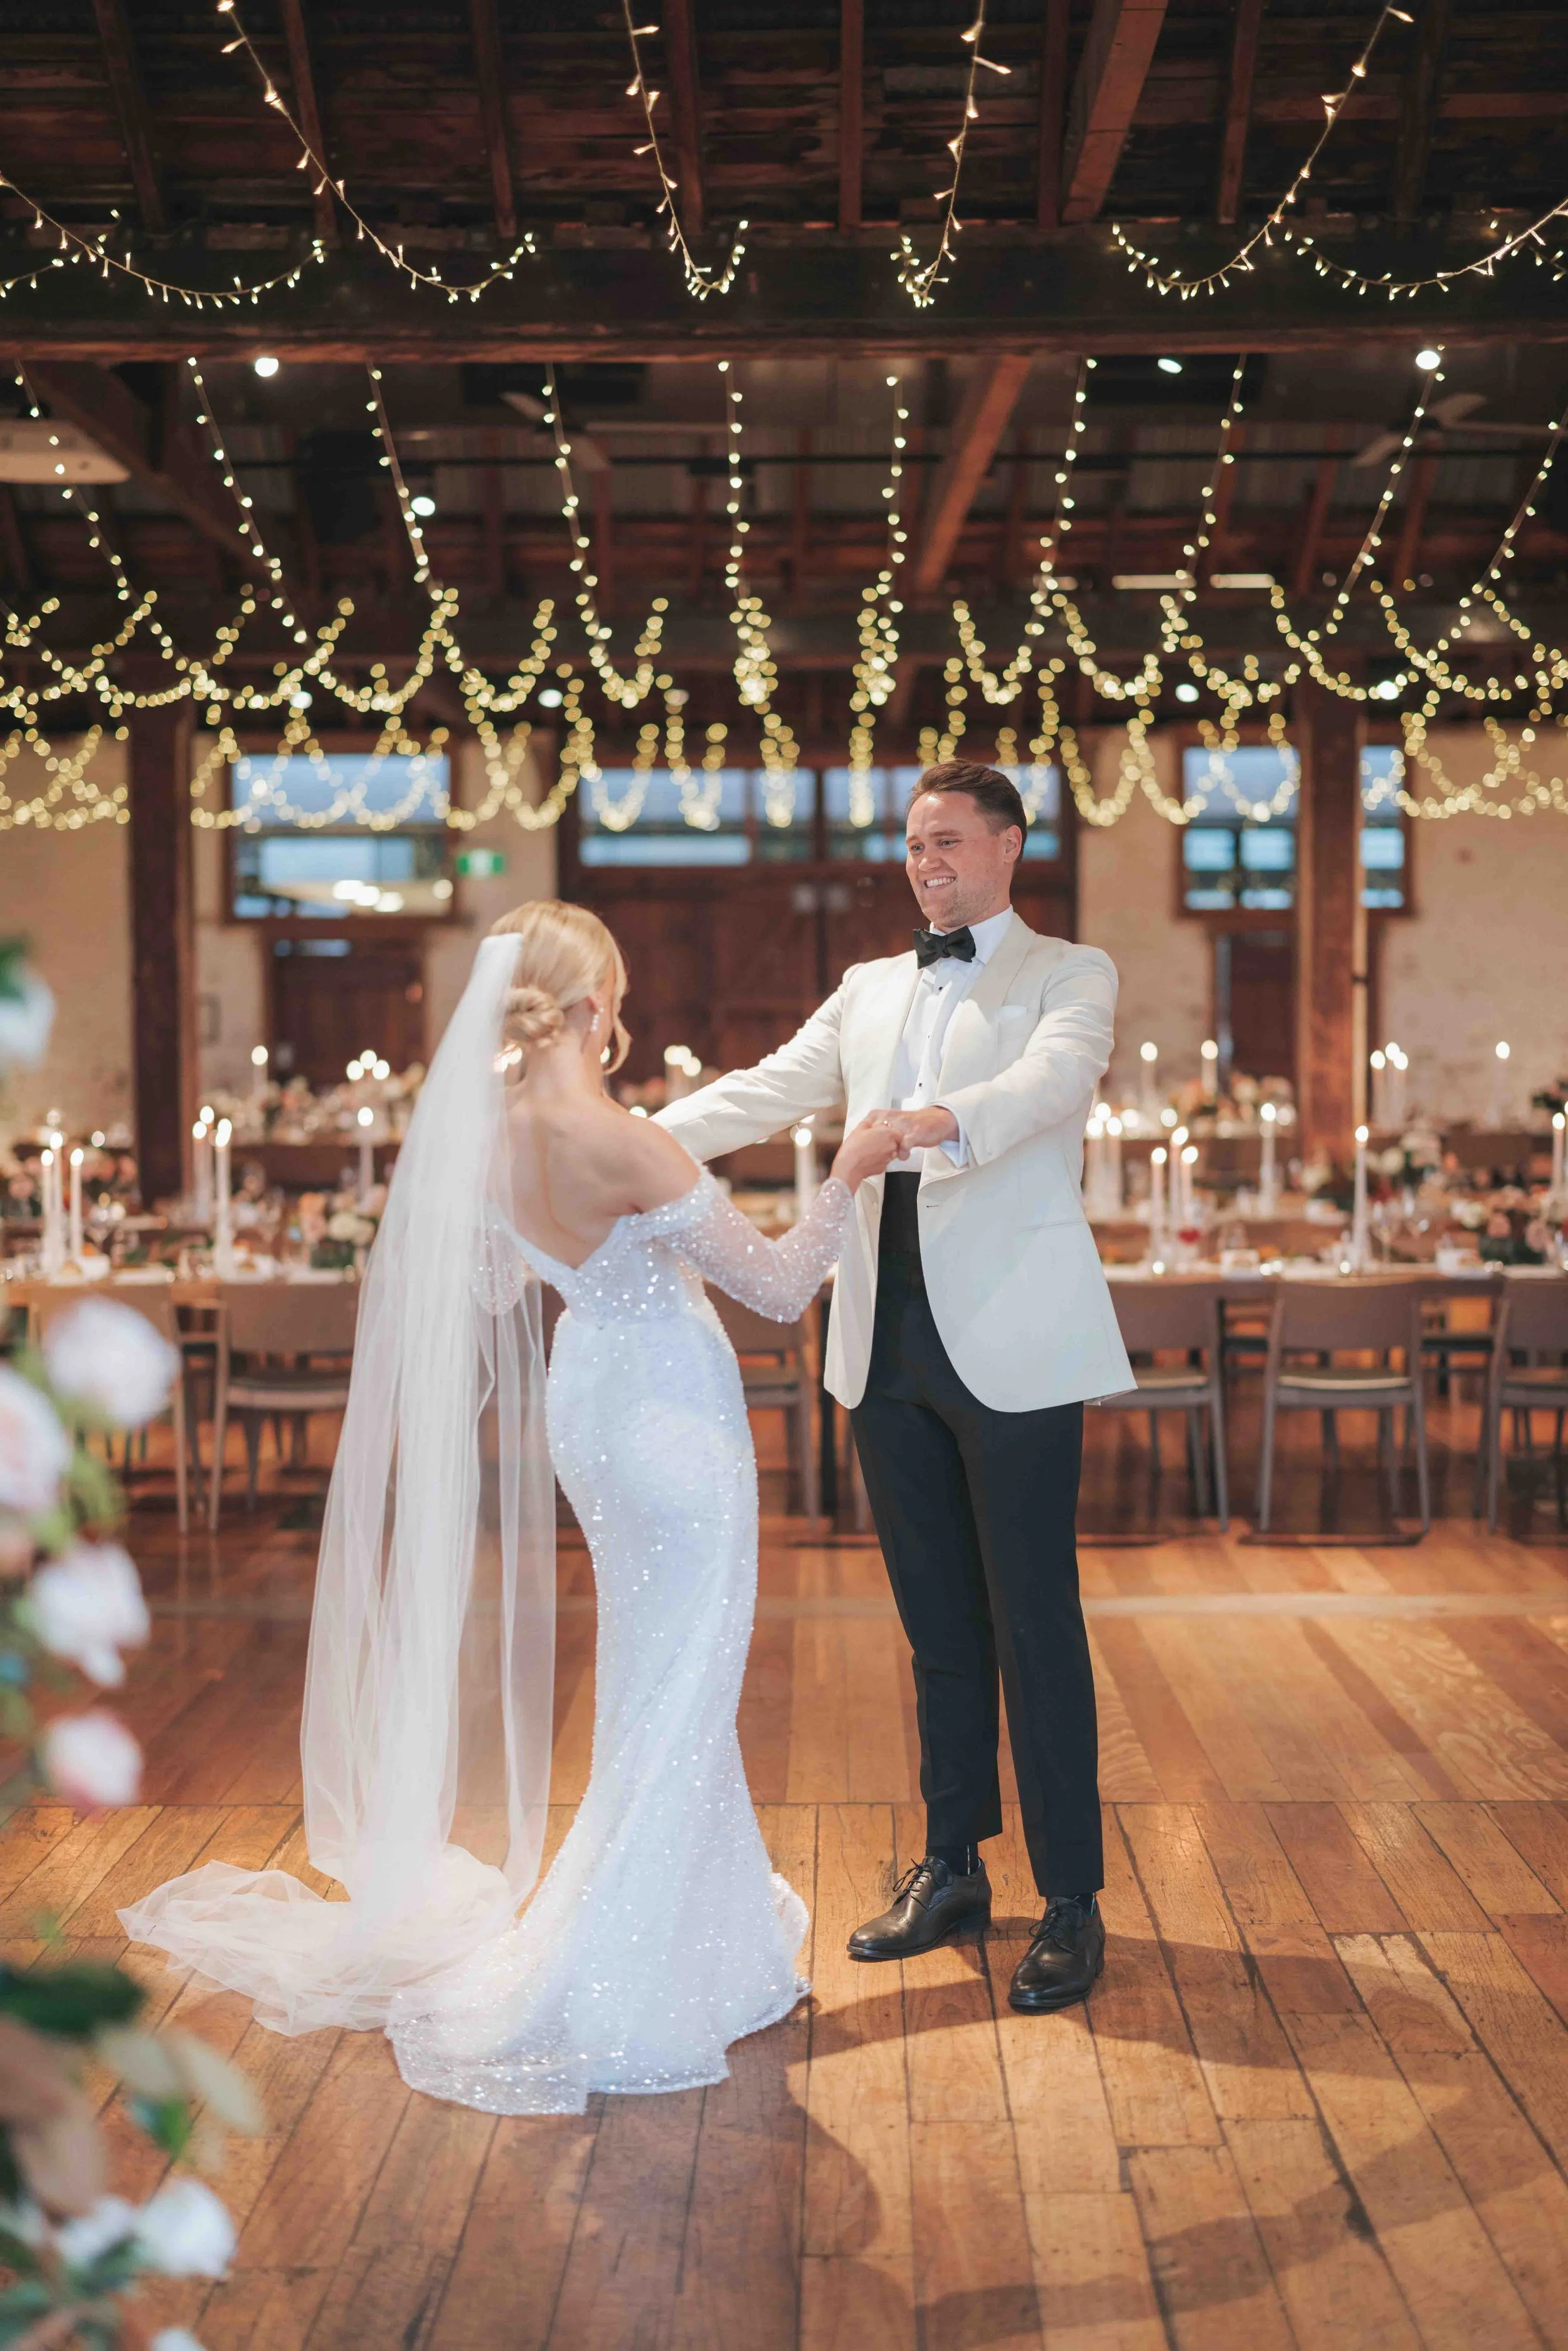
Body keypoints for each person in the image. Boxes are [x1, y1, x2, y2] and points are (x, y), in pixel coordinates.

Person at [122, 902, 901, 2113]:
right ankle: (631, 1956)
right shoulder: (628, 1141)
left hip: (589, 1407)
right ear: (592, 1007)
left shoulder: (484, 1142)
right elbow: (785, 1287)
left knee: (660, 1673)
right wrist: (849, 1172)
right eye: (621, 996)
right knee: (684, 1677)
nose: (625, 1016)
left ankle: (715, 1922)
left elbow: (499, 1275)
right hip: (675, 1419)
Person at [658, 762, 1132, 2012]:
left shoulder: (1065, 973)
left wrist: (920, 1123)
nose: (924, 864)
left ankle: (1072, 1896)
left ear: (1006, 846)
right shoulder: (868, 987)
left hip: (1014, 1343)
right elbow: (768, 1084)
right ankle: (954, 1863)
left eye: (945, 843)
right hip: (885, 1341)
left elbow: (1049, 1088)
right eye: (913, 846)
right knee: (934, 1627)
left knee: (1035, 1620)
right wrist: (630, 1135)